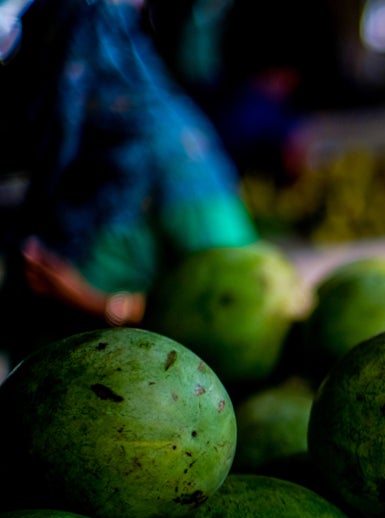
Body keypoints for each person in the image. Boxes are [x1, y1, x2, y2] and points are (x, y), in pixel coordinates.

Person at [0, 0, 259, 363]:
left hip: (143, 402)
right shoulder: (62, 158)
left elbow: (243, 308)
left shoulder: (174, 151)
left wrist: (92, 302)